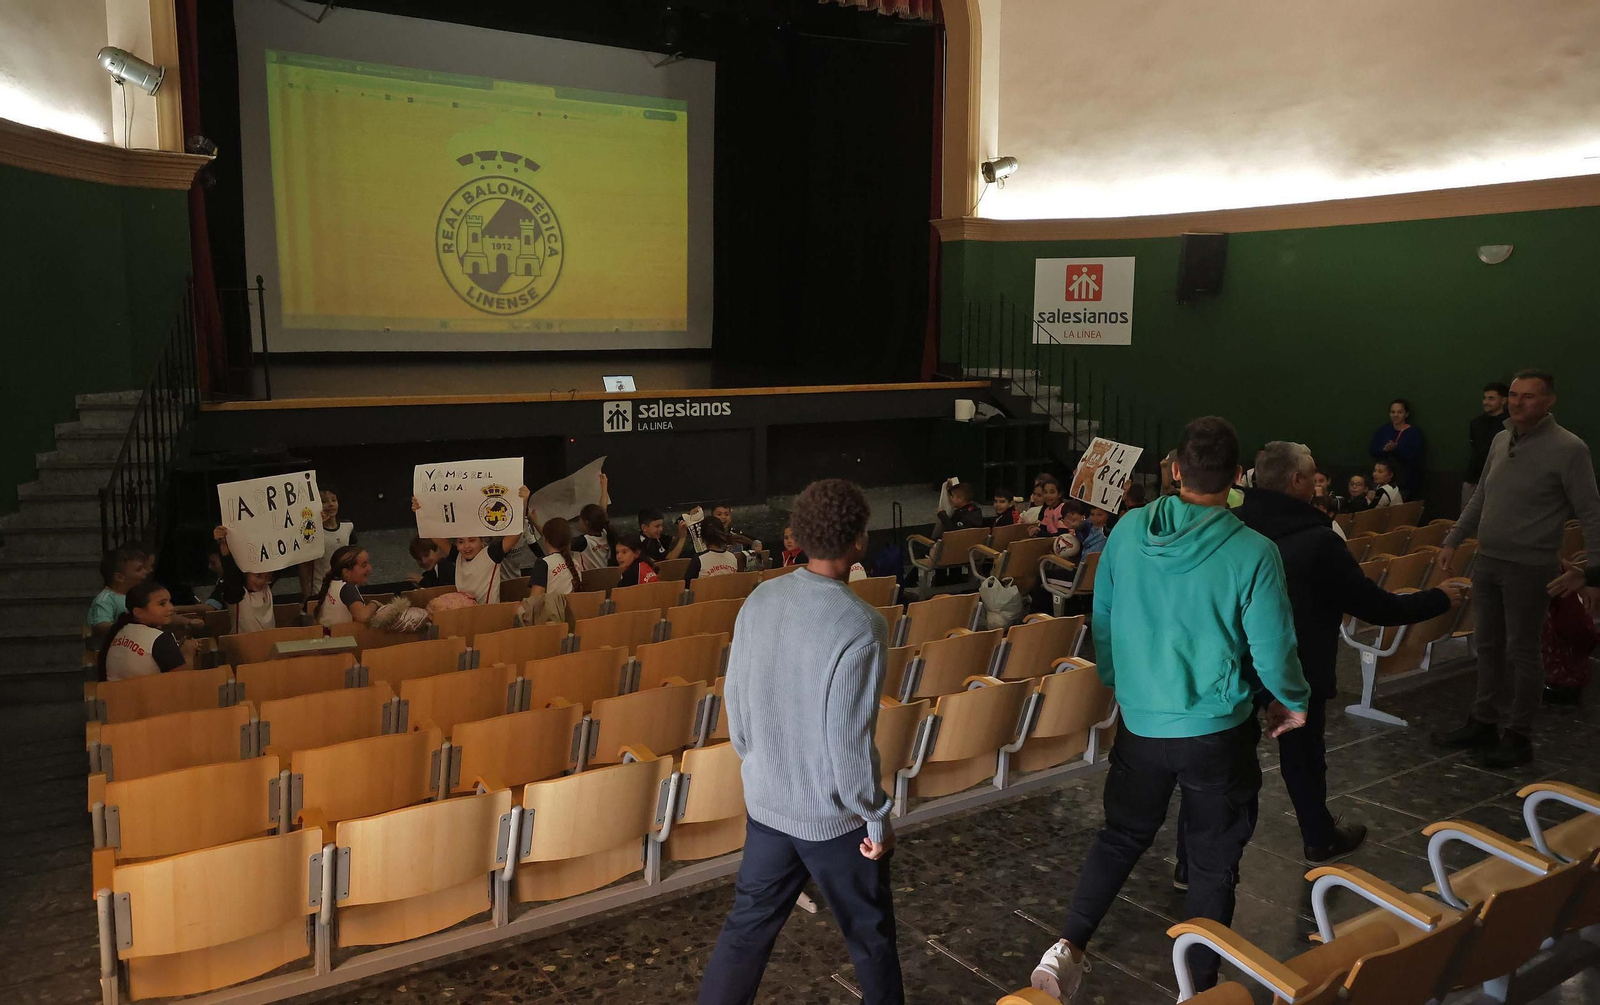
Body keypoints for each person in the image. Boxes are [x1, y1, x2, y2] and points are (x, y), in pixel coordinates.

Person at [1029, 416, 1311, 1001]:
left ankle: (1067, 949)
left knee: (1121, 836)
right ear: (1238, 477)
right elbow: (1273, 646)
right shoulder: (1254, 551)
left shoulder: (1129, 530)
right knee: (1211, 863)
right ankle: (1198, 989)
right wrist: (1292, 702)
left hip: (1140, 721)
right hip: (1216, 732)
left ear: (1175, 470)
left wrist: (1119, 680)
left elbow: (1100, 616)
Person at [1172, 442, 1462, 882]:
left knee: (1219, 767)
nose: (1315, 480)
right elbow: (1376, 607)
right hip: (1297, 668)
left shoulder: (1227, 526)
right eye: (1311, 474)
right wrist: (1440, 598)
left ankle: (1188, 863)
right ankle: (1318, 837)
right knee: (1304, 758)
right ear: (1296, 482)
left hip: (1231, 666)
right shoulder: (1318, 540)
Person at [698, 478, 900, 1005]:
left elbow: (736, 705)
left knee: (746, 931)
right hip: (834, 820)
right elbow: (849, 743)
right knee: (870, 940)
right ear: (858, 540)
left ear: (802, 535)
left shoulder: (760, 598)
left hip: (767, 802)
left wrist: (763, 766)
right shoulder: (862, 625)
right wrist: (875, 816)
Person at [1433, 370, 1600, 767]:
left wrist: (1594, 574)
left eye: (1528, 397)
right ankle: (1483, 721)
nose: (1517, 402)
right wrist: (1453, 539)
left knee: (1523, 651)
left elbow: (1592, 513)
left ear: (1548, 402)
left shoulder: (1569, 448)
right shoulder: (1500, 439)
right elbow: (1481, 498)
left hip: (1530, 566)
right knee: (1487, 645)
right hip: (1488, 559)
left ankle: (1519, 736)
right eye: (1513, 395)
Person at [98, 580, 200, 681]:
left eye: (170, 602)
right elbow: (184, 682)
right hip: (145, 695)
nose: (171, 608)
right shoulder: (160, 639)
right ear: (138, 612)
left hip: (116, 695)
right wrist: (188, 653)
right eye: (162, 604)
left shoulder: (120, 630)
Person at [210, 526, 276, 633]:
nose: (262, 581)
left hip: (269, 644)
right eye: (258, 576)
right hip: (244, 646)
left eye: (267, 577)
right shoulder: (236, 593)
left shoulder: (266, 588)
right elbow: (230, 571)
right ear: (246, 572)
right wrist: (223, 544)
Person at [299, 487, 354, 604]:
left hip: (344, 587)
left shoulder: (348, 526)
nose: (330, 505)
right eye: (324, 501)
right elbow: (304, 566)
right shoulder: (312, 533)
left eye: (333, 500)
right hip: (319, 590)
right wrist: (306, 594)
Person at [1465, 381, 1510, 511]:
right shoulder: (1476, 423)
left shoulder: (1510, 423)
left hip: (1499, 480)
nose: (1486, 402)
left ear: (1503, 400)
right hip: (1474, 478)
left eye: (1491, 398)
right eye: (1485, 398)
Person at [1368, 398, 1425, 499]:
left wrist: (1396, 450)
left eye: (1400, 412)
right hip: (1382, 481)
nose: (1396, 415)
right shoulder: (1383, 430)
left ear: (1406, 414)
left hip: (1404, 482)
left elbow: (1415, 456)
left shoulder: (1414, 433)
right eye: (1393, 412)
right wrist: (1385, 450)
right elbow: (1372, 451)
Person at [88, 546, 146, 641]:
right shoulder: (105, 599)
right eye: (139, 570)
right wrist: (126, 626)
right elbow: (100, 625)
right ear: (119, 577)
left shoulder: (134, 595)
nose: (145, 572)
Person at [314, 546, 379, 627]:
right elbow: (363, 616)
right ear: (346, 572)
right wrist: (375, 604)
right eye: (364, 565)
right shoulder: (347, 588)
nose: (369, 568)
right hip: (338, 638)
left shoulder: (333, 583)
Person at [528, 516, 583, 599]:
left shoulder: (543, 563)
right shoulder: (575, 563)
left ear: (545, 540)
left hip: (551, 611)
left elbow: (534, 601)